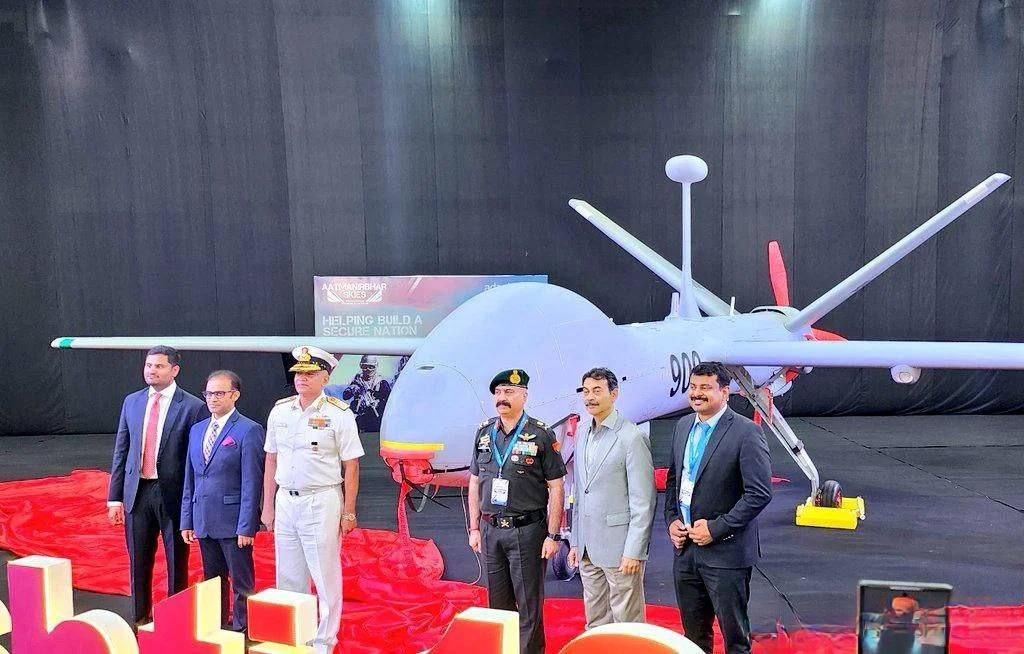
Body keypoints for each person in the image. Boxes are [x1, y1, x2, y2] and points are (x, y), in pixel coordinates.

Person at [664, 362, 772, 654]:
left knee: (735, 640)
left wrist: (716, 529)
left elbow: (759, 493)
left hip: (726, 554)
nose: (697, 393)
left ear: (725, 392)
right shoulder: (683, 426)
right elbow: (674, 480)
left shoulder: (746, 432)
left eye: (706, 387)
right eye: (693, 387)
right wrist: (672, 520)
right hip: (685, 552)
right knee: (693, 638)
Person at [261, 346, 363, 654]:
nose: (302, 378)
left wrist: (348, 512)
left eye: (310, 373)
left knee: (324, 573)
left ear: (325, 378)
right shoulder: (280, 411)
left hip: (321, 499)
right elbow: (271, 460)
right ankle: (295, 636)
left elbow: (351, 465)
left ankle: (323, 642)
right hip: (285, 500)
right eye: (298, 373)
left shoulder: (338, 413)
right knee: (288, 573)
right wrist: (267, 506)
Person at [467, 369, 566, 654]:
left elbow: (556, 487)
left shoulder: (541, 434)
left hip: (527, 531)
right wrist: (474, 528)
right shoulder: (484, 433)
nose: (502, 398)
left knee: (528, 606)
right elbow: (474, 481)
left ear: (524, 396)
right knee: (498, 606)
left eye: (509, 392)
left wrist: (553, 535)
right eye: (498, 393)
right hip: (490, 530)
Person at [107, 345, 208, 626]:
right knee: (138, 562)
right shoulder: (132, 401)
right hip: (137, 493)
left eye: (159, 366)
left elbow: (195, 460)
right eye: (149, 365)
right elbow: (121, 450)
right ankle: (140, 620)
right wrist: (115, 498)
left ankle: (176, 622)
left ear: (174, 370)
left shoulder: (193, 407)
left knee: (177, 562)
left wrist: (192, 503)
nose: (152, 371)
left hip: (173, 495)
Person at [567, 367, 655, 628]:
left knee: (627, 623)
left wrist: (634, 551)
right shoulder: (582, 432)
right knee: (595, 621)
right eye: (586, 391)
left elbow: (643, 502)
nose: (590, 397)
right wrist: (575, 542)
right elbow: (580, 493)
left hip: (620, 549)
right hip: (587, 547)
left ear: (614, 394)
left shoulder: (632, 437)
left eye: (597, 391)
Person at [180, 370, 265, 634]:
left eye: (219, 393)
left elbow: (252, 482)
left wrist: (246, 526)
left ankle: (243, 631)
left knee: (241, 582)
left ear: (235, 395)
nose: (212, 399)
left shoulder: (249, 430)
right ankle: (216, 629)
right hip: (204, 519)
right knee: (212, 580)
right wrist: (187, 519)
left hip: (233, 521)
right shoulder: (197, 430)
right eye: (208, 394)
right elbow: (190, 478)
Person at [334, 354, 392, 432]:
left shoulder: (381, 383)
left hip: (376, 419)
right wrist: (353, 389)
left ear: (375, 367)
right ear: (361, 366)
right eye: (365, 367)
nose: (368, 370)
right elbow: (346, 396)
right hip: (361, 418)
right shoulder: (358, 382)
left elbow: (389, 401)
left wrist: (378, 402)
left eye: (371, 367)